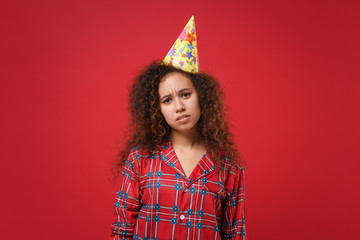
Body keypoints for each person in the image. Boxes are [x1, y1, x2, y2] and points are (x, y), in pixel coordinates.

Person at [110, 16, 246, 240]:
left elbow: (234, 234)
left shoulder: (227, 165)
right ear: (157, 109)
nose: (179, 107)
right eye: (167, 100)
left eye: (185, 94)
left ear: (201, 96)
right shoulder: (140, 158)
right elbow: (122, 232)